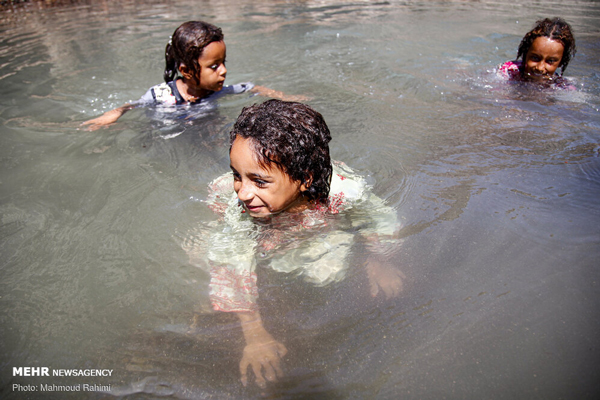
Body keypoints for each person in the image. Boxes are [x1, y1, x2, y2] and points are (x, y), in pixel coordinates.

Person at [183, 100, 404, 388]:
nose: (243, 193)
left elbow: (377, 218)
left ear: (304, 179)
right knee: (200, 252)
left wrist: (379, 260)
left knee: (325, 272)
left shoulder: (343, 191)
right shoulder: (237, 207)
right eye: (237, 175)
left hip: (309, 227)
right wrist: (254, 333)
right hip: (261, 233)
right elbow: (229, 262)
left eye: (259, 182)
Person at [82, 21, 305, 130]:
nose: (224, 71)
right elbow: (131, 106)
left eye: (223, 63)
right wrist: (110, 116)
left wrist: (281, 95)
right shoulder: (161, 96)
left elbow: (250, 87)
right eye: (214, 66)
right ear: (187, 72)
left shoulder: (217, 92)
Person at [497, 17, 576, 86]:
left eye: (550, 61)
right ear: (525, 54)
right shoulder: (508, 72)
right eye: (535, 58)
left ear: (561, 62)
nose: (540, 68)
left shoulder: (561, 85)